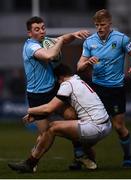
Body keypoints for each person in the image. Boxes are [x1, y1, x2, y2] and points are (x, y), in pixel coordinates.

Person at [17, 16, 91, 169]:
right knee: (45, 135)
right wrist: (60, 41)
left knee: (72, 116)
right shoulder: (30, 46)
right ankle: (32, 160)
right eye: (36, 29)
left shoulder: (45, 41)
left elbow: (63, 38)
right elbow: (49, 55)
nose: (41, 31)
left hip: (52, 91)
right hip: (36, 96)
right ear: (29, 33)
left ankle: (79, 155)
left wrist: (74, 34)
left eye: (43, 28)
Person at [8, 63, 112, 173]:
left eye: (57, 80)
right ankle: (85, 159)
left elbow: (49, 108)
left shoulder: (67, 84)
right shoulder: (78, 80)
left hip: (95, 127)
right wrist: (38, 115)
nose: (57, 83)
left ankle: (30, 164)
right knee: (73, 122)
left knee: (52, 127)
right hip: (106, 125)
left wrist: (30, 110)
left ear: (60, 77)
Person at [77, 9, 131, 168]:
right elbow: (79, 66)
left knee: (119, 127)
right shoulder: (89, 42)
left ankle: (127, 156)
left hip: (115, 90)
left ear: (110, 24)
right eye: (97, 25)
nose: (99, 28)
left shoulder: (121, 39)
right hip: (97, 89)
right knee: (87, 125)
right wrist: (87, 63)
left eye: (103, 24)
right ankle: (82, 157)